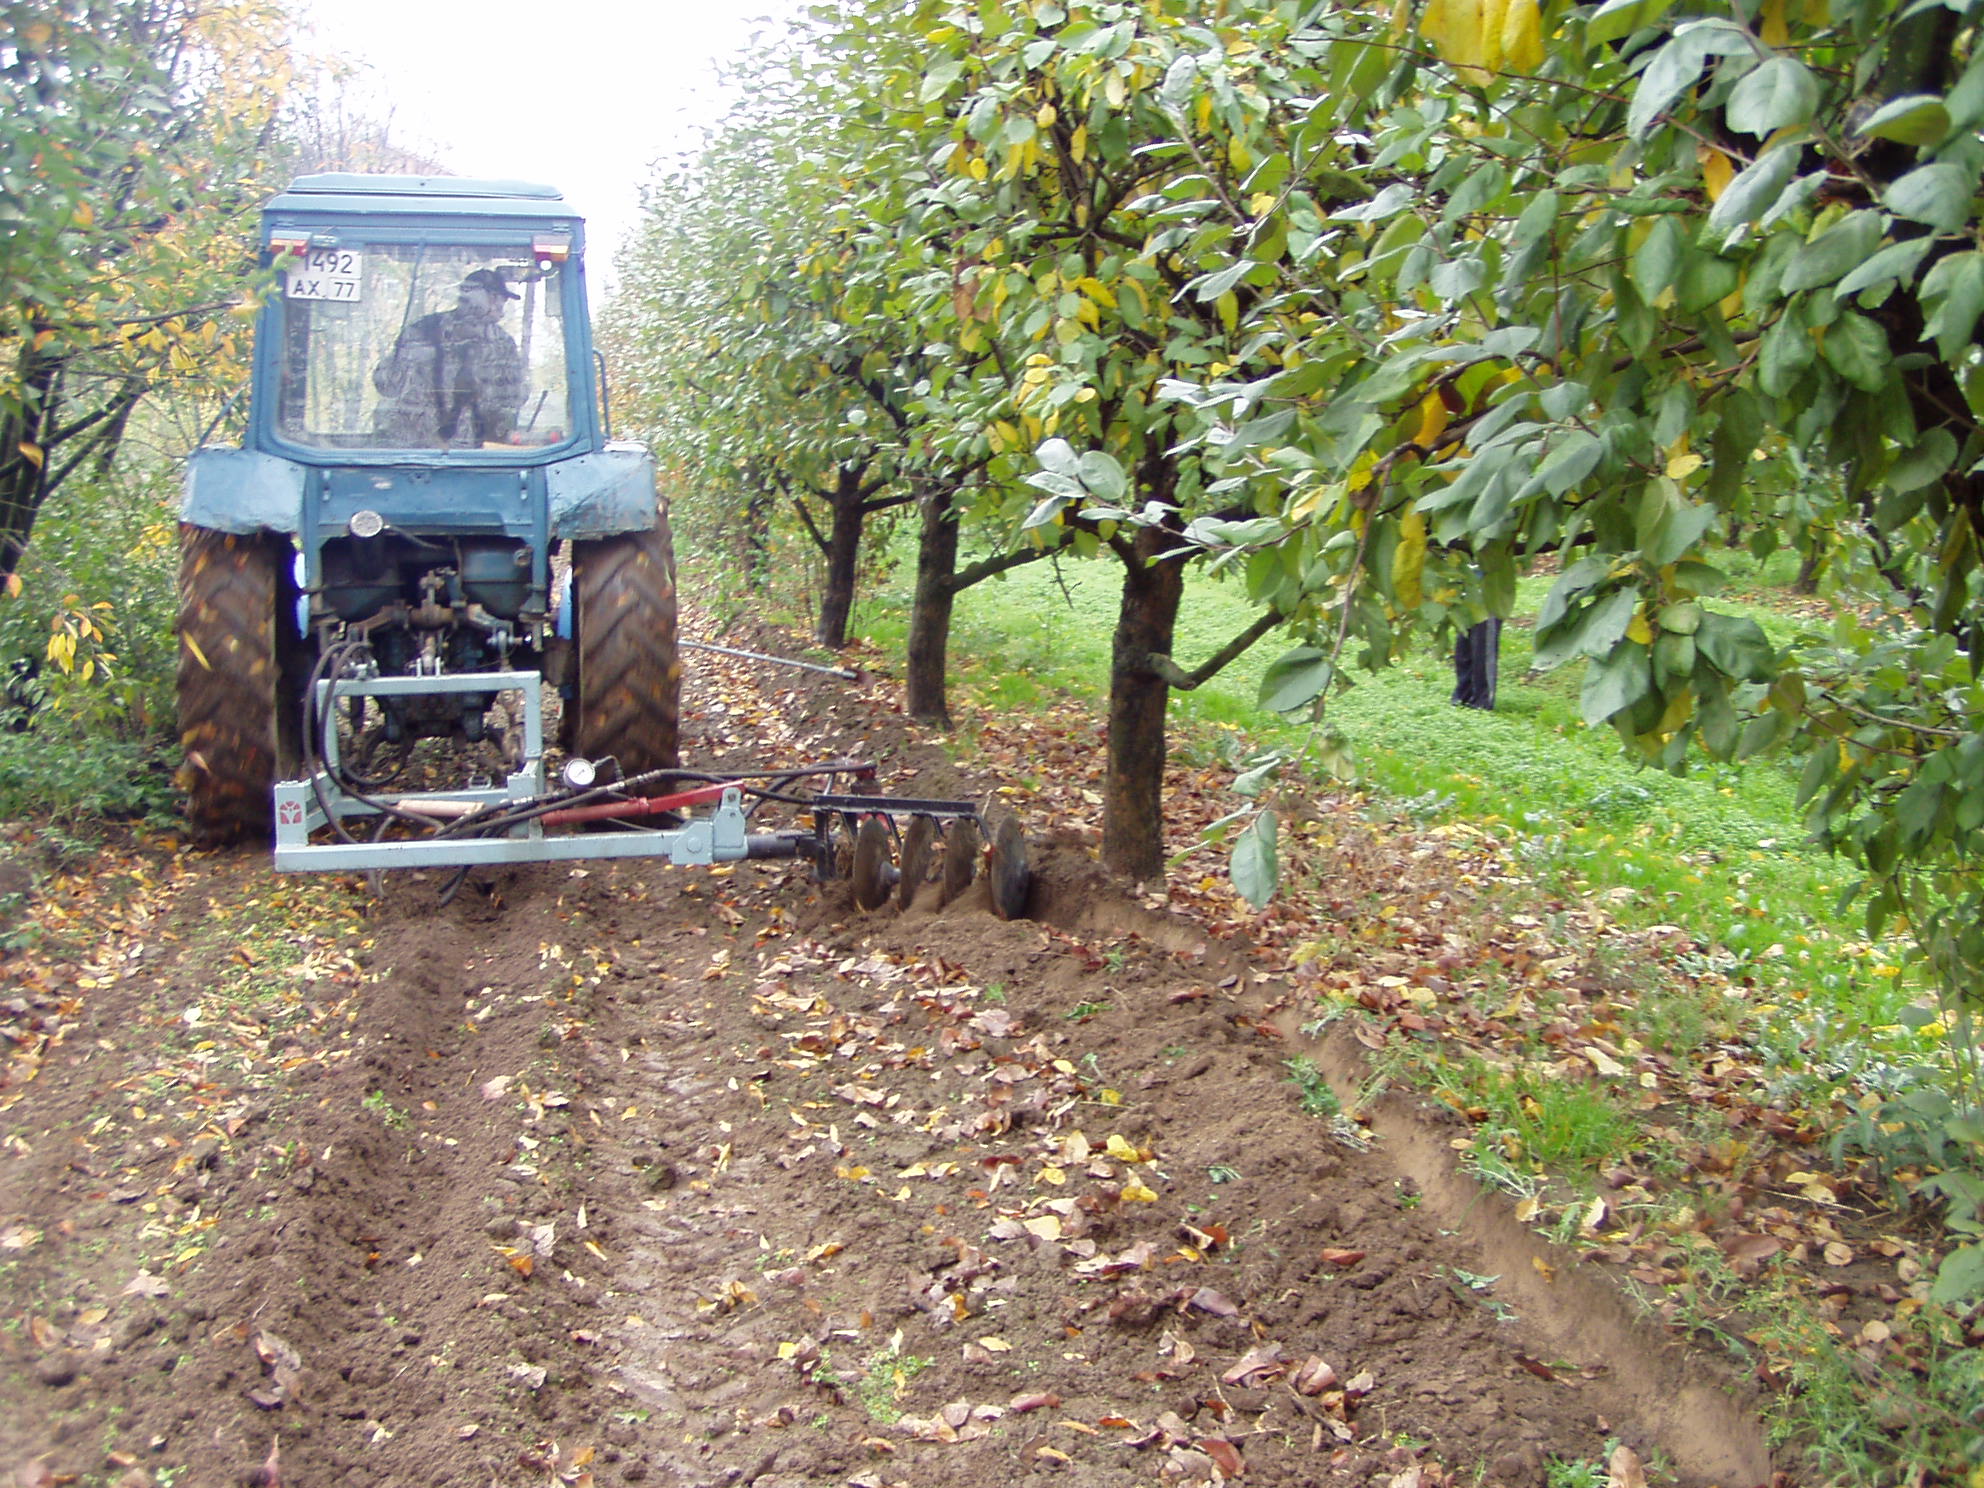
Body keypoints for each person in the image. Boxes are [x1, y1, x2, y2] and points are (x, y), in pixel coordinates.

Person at [372, 268, 527, 448]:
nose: (501, 308)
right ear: (483, 299)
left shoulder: (503, 344)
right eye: (498, 299)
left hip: (474, 455)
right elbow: (386, 385)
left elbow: (513, 398)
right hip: (414, 451)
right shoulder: (421, 332)